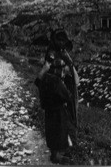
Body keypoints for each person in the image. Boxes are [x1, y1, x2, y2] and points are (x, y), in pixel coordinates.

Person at [35, 29, 79, 164]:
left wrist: (67, 64)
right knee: (59, 123)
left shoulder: (58, 56)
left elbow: (75, 80)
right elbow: (42, 77)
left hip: (53, 94)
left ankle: (58, 152)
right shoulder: (54, 57)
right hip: (55, 94)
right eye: (60, 42)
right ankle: (57, 154)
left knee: (57, 124)